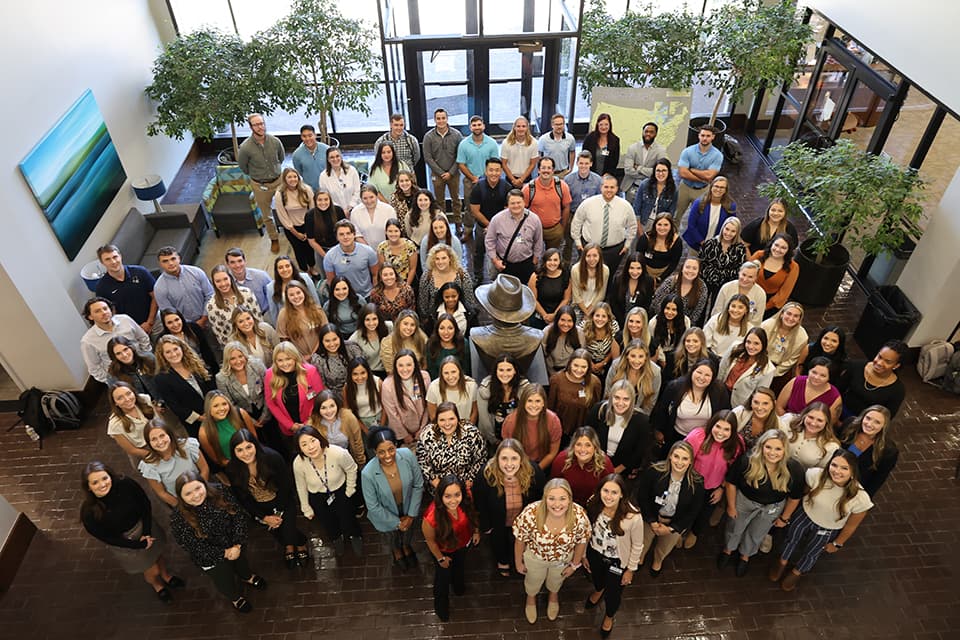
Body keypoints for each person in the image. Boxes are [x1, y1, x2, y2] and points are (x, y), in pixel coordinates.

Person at [770, 450, 873, 591]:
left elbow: (851, 526)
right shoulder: (815, 475)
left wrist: (837, 543)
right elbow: (803, 492)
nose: (837, 471)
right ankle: (781, 562)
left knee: (812, 552)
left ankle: (796, 573)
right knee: (790, 539)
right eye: (834, 465)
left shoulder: (860, 498)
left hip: (828, 528)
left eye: (844, 468)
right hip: (805, 515)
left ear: (853, 472)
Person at [80, 461, 181, 603]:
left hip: (145, 528)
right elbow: (107, 538)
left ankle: (166, 576)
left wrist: (147, 532)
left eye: (104, 478)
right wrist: (137, 545)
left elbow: (144, 504)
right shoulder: (89, 512)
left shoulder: (125, 484)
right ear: (88, 487)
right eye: (95, 482)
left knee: (157, 555)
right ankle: (157, 585)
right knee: (151, 570)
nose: (102, 484)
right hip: (126, 542)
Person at [170, 472, 266, 612]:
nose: (196, 495)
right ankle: (235, 598)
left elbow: (238, 515)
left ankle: (247, 577)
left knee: (242, 563)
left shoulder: (220, 491)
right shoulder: (178, 518)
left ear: (204, 484)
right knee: (223, 579)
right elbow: (193, 546)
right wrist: (225, 553)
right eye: (188, 493)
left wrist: (237, 544)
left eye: (198, 488)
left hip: (234, 544)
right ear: (181, 497)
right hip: (211, 558)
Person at [718, 429, 804, 577]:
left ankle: (745, 556)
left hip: (773, 507)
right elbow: (731, 483)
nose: (772, 452)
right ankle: (728, 550)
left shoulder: (794, 469)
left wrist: (784, 518)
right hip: (744, 501)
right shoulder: (748, 460)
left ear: (785, 450)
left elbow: (794, 497)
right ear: (761, 446)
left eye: (778, 449)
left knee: (757, 533)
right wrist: (731, 506)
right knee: (735, 527)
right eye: (768, 447)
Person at [225, 429, 309, 568]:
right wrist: (263, 516)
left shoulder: (272, 458)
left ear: (255, 445)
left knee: (288, 529)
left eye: (248, 447)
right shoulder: (232, 469)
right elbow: (242, 497)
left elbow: (285, 486)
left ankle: (300, 543)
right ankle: (289, 546)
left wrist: (278, 512)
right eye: (239, 450)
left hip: (282, 501)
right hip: (259, 507)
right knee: (276, 532)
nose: (246, 453)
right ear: (234, 452)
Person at [512, 478, 590, 624]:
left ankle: (553, 595)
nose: (557, 504)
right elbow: (520, 540)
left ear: (569, 499)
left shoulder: (579, 516)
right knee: (532, 580)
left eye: (562, 499)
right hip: (535, 557)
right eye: (551, 498)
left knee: (557, 579)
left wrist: (574, 565)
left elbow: (581, 542)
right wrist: (518, 562)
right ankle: (531, 597)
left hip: (562, 559)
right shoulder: (531, 512)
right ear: (545, 498)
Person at [583, 474, 644, 637]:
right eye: (605, 491)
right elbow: (586, 531)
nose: (608, 496)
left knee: (613, 593)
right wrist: (583, 555)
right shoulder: (593, 503)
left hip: (617, 562)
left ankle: (609, 616)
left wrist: (630, 569)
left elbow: (638, 545)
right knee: (596, 578)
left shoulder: (633, 516)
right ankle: (598, 589)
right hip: (594, 553)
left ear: (622, 494)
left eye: (614, 492)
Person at [475, 439, 545, 576]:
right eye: (504, 458)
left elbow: (540, 497)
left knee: (521, 542)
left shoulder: (534, 472)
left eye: (514, 458)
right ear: (497, 459)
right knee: (498, 540)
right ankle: (503, 560)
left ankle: (519, 560)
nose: (509, 464)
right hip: (498, 520)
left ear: (521, 458)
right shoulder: (486, 474)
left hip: (522, 520)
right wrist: (486, 525)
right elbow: (480, 502)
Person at [635, 441, 705, 576]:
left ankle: (658, 560)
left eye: (685, 458)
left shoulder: (697, 482)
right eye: (676, 456)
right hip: (651, 517)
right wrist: (652, 521)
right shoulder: (654, 471)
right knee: (643, 541)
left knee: (665, 547)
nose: (679, 462)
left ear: (691, 461)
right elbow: (643, 497)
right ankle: (640, 558)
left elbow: (693, 511)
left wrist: (671, 528)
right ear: (670, 457)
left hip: (675, 523)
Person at [292, 425, 362, 555]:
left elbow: (352, 469)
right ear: (299, 448)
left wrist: (350, 490)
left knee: (348, 517)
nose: (310, 447)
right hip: (317, 496)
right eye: (304, 444)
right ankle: (336, 538)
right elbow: (300, 485)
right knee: (327, 521)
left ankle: (355, 535)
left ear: (319, 439)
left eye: (313, 440)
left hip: (340, 491)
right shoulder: (298, 463)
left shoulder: (337, 452)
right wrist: (305, 507)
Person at [362, 426, 424, 570]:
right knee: (391, 537)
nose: (388, 455)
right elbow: (373, 506)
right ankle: (397, 551)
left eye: (391, 449)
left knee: (408, 532)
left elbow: (418, 484)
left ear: (396, 445)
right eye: (381, 452)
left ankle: (406, 546)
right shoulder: (368, 473)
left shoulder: (407, 455)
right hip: (385, 512)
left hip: (409, 506)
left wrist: (410, 515)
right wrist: (397, 522)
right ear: (374, 452)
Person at [422, 474, 480, 621]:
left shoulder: (467, 500)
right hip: (443, 551)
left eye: (457, 495)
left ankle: (459, 587)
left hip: (462, 545)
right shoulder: (431, 517)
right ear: (440, 496)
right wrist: (440, 559)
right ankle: (441, 607)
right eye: (447, 496)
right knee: (442, 580)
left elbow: (473, 515)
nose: (453, 500)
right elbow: (430, 541)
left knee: (459, 569)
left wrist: (476, 531)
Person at [683, 410, 745, 549]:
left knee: (704, 512)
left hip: (714, 486)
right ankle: (680, 531)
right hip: (691, 483)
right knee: (686, 508)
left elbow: (733, 471)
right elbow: (682, 457)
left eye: (726, 429)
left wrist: (721, 488)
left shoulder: (736, 445)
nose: (721, 432)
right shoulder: (698, 436)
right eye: (718, 426)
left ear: (733, 431)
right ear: (711, 425)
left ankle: (694, 533)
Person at [653, 358, 731, 449]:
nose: (702, 378)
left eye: (707, 375)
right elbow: (662, 410)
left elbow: (724, 415)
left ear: (713, 378)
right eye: (699, 372)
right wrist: (659, 431)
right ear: (692, 371)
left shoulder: (720, 391)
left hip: (704, 439)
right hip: (676, 435)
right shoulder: (675, 387)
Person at [263, 342, 326, 452]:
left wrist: (308, 423)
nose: (285, 364)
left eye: (288, 359)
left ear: (295, 358)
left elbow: (320, 399)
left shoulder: (310, 371)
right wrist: (290, 425)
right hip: (288, 430)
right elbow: (271, 403)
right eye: (280, 360)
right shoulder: (269, 374)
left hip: (312, 425)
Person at [587, 381, 654, 479]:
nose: (620, 403)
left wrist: (616, 470)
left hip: (622, 468)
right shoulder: (599, 410)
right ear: (611, 397)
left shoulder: (641, 421)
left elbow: (639, 451)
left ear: (632, 400)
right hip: (594, 461)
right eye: (616, 398)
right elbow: (588, 436)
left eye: (626, 399)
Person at [153, 335, 216, 438]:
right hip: (196, 423)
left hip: (216, 412)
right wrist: (200, 418)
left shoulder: (197, 364)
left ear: (182, 348)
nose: (173, 354)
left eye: (175, 349)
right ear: (162, 355)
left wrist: (214, 409)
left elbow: (212, 387)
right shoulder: (161, 378)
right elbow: (175, 406)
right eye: (168, 352)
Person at [237, 113, 283, 252]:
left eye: (262, 123)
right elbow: (243, 167)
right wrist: (258, 175)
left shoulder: (275, 141)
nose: (260, 127)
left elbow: (281, 158)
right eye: (256, 124)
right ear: (251, 127)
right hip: (260, 184)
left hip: (278, 180)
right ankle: (274, 238)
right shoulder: (245, 147)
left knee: (286, 206)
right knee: (266, 215)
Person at [572, 174, 637, 272]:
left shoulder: (625, 206)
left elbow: (632, 226)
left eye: (612, 187)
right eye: (606, 187)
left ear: (617, 189)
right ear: (601, 187)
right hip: (590, 248)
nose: (609, 190)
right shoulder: (587, 204)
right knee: (587, 274)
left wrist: (627, 244)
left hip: (614, 250)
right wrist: (577, 242)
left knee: (610, 275)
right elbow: (577, 222)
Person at [139, 419, 209, 508]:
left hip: (202, 492)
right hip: (181, 503)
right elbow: (162, 493)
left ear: (169, 434)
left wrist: (203, 492)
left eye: (162, 436)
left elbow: (204, 469)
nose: (160, 442)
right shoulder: (149, 466)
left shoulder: (188, 446)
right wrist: (183, 507)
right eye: (154, 439)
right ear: (149, 443)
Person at [80, 297, 152, 384]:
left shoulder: (125, 319)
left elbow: (143, 338)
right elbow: (94, 368)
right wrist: (113, 381)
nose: (104, 313)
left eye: (105, 308)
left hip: (143, 366)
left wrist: (146, 358)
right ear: (90, 317)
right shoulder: (88, 341)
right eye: (97, 311)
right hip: (121, 377)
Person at [417, 402, 486, 490]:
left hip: (465, 486)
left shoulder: (471, 432)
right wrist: (438, 485)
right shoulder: (427, 434)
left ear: (457, 418)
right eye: (442, 420)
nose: (447, 424)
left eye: (451, 419)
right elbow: (422, 462)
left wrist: (470, 479)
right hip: (438, 487)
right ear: (436, 421)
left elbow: (481, 458)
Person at [836, 405, 899, 497]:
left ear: (884, 426)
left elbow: (878, 479)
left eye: (877, 422)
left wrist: (864, 498)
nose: (869, 424)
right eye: (868, 418)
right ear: (863, 417)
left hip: (852, 489)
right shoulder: (849, 425)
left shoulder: (889, 451)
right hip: (833, 475)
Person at [485, 188, 544, 284]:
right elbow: (489, 240)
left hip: (526, 263)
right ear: (507, 204)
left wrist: (535, 259)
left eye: (518, 202)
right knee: (506, 293)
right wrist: (495, 261)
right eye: (512, 203)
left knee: (526, 291)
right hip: (505, 265)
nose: (516, 206)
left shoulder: (534, 219)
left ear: (524, 203)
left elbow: (538, 240)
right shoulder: (497, 219)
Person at [95, 244, 157, 334]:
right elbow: (111, 313)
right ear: (102, 262)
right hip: (129, 330)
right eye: (107, 259)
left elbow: (155, 296)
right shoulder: (101, 287)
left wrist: (150, 322)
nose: (113, 261)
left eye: (115, 257)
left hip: (154, 321)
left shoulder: (140, 272)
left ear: (120, 256)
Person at [457, 115, 501, 239]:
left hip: (489, 181)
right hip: (470, 181)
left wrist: (485, 178)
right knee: (469, 206)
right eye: (474, 125)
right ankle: (468, 230)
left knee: (488, 205)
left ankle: (489, 228)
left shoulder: (491, 143)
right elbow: (461, 164)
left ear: (483, 126)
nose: (477, 127)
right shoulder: (464, 144)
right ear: (470, 127)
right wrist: (473, 178)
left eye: (479, 124)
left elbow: (495, 163)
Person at [837, 341, 907, 419]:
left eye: (887, 362)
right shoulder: (856, 366)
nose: (879, 363)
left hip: (864, 423)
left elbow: (886, 417)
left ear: (896, 365)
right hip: (840, 410)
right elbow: (838, 390)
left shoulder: (897, 390)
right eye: (879, 357)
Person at [468, 158, 511, 280]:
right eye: (491, 170)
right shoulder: (478, 188)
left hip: (502, 227)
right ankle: (477, 276)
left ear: (501, 171)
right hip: (483, 226)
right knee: (478, 252)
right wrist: (490, 226)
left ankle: (502, 277)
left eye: (497, 170)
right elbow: (475, 211)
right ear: (486, 171)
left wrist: (495, 227)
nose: (494, 173)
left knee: (503, 252)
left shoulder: (506, 187)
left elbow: (508, 210)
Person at [501, 384, 561, 471]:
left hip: (542, 465)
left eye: (537, 401)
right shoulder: (511, 421)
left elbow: (552, 452)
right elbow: (508, 450)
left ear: (543, 403)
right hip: (517, 464)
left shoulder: (553, 420)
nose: (533, 405)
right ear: (523, 402)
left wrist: (537, 470)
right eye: (529, 401)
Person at [523, 157, 573, 262]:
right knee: (533, 257)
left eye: (549, 168)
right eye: (543, 168)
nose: (546, 170)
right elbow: (523, 209)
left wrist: (562, 227)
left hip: (554, 229)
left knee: (552, 257)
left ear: (553, 170)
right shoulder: (529, 188)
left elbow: (566, 207)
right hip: (535, 230)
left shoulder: (562, 186)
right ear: (539, 170)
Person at [548, 349, 602, 446]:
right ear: (569, 364)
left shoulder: (594, 383)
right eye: (576, 365)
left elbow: (595, 411)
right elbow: (550, 407)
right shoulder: (556, 380)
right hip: (560, 432)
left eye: (583, 367)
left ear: (588, 367)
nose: (579, 370)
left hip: (583, 434)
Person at [550, 426, 614, 506]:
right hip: (565, 504)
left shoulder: (605, 463)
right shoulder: (561, 460)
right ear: (573, 446)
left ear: (595, 447)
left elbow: (610, 492)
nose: (583, 449)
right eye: (579, 444)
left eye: (588, 445)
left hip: (595, 506)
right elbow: (553, 488)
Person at [477, 354, 531, 446]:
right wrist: (495, 441)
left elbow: (527, 418)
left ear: (515, 371)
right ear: (496, 371)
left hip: (518, 440)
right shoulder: (485, 389)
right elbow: (484, 422)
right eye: (501, 370)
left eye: (509, 370)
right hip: (492, 440)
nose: (505, 374)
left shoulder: (524, 388)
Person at [198, 389, 258, 471]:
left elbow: (254, 438)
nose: (222, 408)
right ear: (208, 409)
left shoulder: (241, 414)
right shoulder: (204, 432)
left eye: (224, 404)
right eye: (216, 406)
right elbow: (217, 459)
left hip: (255, 459)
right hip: (236, 468)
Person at [423, 108, 464, 227]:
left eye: (443, 118)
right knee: (439, 201)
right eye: (438, 118)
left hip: (454, 173)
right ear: (435, 120)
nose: (441, 121)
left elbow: (460, 156)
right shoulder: (428, 137)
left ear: (447, 119)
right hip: (437, 174)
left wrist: (450, 172)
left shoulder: (456, 135)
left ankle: (458, 223)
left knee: (456, 199)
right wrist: (441, 172)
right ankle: (442, 223)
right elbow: (428, 157)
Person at [381, 348, 431, 444]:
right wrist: (404, 435)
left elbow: (428, 405)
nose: (405, 369)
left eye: (409, 365)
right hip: (402, 434)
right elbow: (392, 414)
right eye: (400, 365)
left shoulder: (424, 377)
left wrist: (422, 429)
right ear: (395, 366)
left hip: (423, 429)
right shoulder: (387, 385)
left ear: (415, 365)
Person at [676, 125, 724, 223]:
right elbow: (683, 173)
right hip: (685, 187)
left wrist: (692, 170)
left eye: (708, 136)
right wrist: (702, 178)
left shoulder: (718, 155)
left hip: (702, 191)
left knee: (698, 217)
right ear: (699, 136)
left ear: (713, 137)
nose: (705, 138)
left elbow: (709, 175)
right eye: (702, 135)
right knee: (676, 215)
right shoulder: (687, 151)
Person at [307, 389, 367, 468]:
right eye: (323, 408)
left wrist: (361, 462)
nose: (329, 411)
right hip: (327, 464)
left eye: (332, 406)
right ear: (318, 409)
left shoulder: (348, 417)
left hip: (349, 459)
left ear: (337, 405)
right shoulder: (312, 424)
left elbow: (357, 441)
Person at [718, 327, 777, 407]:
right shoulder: (735, 348)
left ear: (763, 344)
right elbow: (722, 369)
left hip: (739, 404)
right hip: (721, 393)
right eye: (748, 342)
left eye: (756, 343)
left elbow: (759, 394)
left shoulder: (768, 369)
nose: (751, 347)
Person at [205, 265, 261, 348]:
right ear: (214, 283)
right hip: (237, 348)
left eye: (225, 279)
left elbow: (258, 319)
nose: (223, 284)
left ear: (230, 278)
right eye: (218, 281)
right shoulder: (212, 307)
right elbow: (222, 337)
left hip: (258, 340)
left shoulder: (246, 293)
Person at [216, 343, 270, 429]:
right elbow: (230, 404)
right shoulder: (221, 378)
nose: (238, 361)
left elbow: (269, 391)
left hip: (268, 409)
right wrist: (248, 420)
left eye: (240, 356)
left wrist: (266, 415)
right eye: (233, 358)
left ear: (245, 356)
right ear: (227, 360)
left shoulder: (257, 365)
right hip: (244, 416)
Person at [273, 168, 317, 274]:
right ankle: (304, 270)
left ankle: (312, 267)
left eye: (295, 176)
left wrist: (308, 229)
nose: (293, 179)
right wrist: (296, 233)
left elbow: (312, 210)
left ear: (298, 177)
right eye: (289, 177)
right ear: (284, 179)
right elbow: (282, 215)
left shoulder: (307, 190)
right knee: (298, 250)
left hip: (307, 224)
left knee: (310, 248)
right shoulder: (280, 194)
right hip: (291, 227)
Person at [418, 244, 476, 323]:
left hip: (459, 319)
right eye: (437, 259)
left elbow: (469, 301)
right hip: (435, 321)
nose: (440, 262)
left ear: (450, 259)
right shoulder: (427, 276)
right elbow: (423, 303)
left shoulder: (462, 275)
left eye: (444, 258)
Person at [323, 220, 380, 299]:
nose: (345, 237)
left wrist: (375, 292)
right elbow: (331, 282)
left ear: (354, 234)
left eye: (348, 233)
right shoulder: (329, 257)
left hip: (367, 296)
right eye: (341, 234)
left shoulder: (368, 251)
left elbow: (375, 274)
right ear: (337, 237)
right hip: (344, 297)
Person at [681, 175, 737, 253]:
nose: (718, 189)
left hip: (717, 247)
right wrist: (702, 242)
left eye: (722, 187)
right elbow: (691, 225)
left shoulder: (730, 206)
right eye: (716, 186)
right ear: (711, 187)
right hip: (697, 245)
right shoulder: (699, 203)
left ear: (725, 190)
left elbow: (733, 226)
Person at [776, 359, 842, 424]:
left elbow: (829, 424)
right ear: (808, 370)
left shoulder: (835, 397)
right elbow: (779, 407)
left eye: (823, 375)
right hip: (784, 423)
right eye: (814, 372)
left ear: (829, 378)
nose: (816, 377)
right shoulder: (796, 381)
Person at [604, 341, 661, 415]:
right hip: (614, 410)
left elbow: (650, 403)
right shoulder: (616, 366)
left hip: (638, 414)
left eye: (641, 356)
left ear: (646, 357)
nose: (636, 361)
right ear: (627, 356)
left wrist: (640, 420)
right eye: (633, 356)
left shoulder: (655, 372)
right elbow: (608, 393)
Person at [276, 280, 329, 358]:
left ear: (304, 293)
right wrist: (299, 356)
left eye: (298, 293)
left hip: (320, 353)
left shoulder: (317, 310)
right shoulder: (283, 314)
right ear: (287, 298)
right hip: (299, 357)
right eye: (291, 295)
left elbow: (325, 333)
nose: (296, 297)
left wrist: (313, 354)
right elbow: (284, 340)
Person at [699, 217, 748, 303]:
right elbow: (701, 262)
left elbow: (738, 269)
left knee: (717, 307)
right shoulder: (710, 243)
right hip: (706, 280)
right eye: (727, 229)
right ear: (723, 228)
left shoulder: (740, 249)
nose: (728, 233)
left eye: (733, 231)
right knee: (701, 304)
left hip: (725, 284)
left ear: (737, 233)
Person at [761, 302, 809, 389]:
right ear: (782, 314)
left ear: (799, 319)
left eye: (796, 316)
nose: (791, 318)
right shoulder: (767, 325)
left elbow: (791, 360)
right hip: (760, 363)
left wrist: (772, 373)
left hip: (780, 372)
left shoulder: (802, 337)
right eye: (789, 313)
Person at [750, 233, 799, 317]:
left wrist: (764, 307)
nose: (778, 249)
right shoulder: (759, 255)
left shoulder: (793, 267)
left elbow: (784, 293)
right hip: (750, 294)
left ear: (788, 250)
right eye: (776, 245)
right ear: (771, 244)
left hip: (770, 305)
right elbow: (745, 274)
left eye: (783, 248)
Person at [651, 257, 710, 327]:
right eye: (688, 267)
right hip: (662, 322)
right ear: (682, 268)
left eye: (694, 268)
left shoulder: (702, 288)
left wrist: (684, 325)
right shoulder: (670, 282)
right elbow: (657, 303)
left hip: (684, 325)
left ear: (698, 271)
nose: (690, 271)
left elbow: (697, 313)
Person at [107, 382, 154, 468]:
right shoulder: (115, 424)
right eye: (120, 398)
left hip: (159, 440)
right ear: (115, 403)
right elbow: (131, 450)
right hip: (143, 452)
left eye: (128, 393)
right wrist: (156, 454)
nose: (127, 399)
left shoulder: (145, 399)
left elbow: (160, 421)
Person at [780, 403, 841, 469]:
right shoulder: (789, 420)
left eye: (819, 420)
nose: (813, 423)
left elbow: (818, 472)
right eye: (811, 417)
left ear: (826, 423)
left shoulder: (831, 446)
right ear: (804, 415)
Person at [621, 122, 667, 208]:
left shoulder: (661, 151)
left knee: (644, 213)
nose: (648, 134)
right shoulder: (632, 148)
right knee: (628, 211)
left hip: (650, 188)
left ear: (656, 134)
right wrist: (649, 172)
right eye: (646, 131)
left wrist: (638, 168)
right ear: (643, 132)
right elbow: (628, 170)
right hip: (632, 186)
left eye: (651, 132)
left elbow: (659, 172)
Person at [266, 254, 321, 324]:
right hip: (289, 323)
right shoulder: (271, 288)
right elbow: (274, 313)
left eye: (287, 266)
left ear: (292, 267)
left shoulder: (305, 278)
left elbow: (315, 300)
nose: (285, 270)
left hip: (310, 318)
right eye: (280, 267)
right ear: (276, 271)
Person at [159, 308, 218, 372]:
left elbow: (207, 351)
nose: (175, 324)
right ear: (165, 325)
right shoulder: (163, 339)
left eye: (177, 320)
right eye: (170, 322)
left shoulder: (193, 328)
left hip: (205, 367)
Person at [313, 324, 364, 397]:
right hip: (335, 397)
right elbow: (322, 386)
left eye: (335, 339)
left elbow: (364, 369)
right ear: (322, 341)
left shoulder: (352, 347)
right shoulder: (318, 359)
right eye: (327, 341)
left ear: (340, 338)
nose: (332, 344)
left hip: (359, 389)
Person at [711, 260, 767, 328]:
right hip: (722, 325)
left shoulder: (761, 294)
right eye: (743, 275)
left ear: (756, 278)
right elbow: (717, 312)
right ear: (739, 272)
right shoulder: (727, 287)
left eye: (750, 277)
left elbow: (756, 322)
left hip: (744, 330)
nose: (745, 279)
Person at [427, 356, 478, 424]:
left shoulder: (471, 386)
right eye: (446, 373)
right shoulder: (433, 387)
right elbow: (433, 416)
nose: (450, 377)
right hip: (443, 428)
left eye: (453, 372)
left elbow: (474, 412)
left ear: (459, 371)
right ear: (441, 374)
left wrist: (467, 430)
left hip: (466, 428)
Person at [636, 212, 682, 287]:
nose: (662, 228)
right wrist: (646, 277)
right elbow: (638, 258)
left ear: (671, 226)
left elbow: (674, 263)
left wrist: (660, 279)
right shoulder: (645, 239)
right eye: (659, 224)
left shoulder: (677, 241)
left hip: (664, 273)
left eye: (666, 225)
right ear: (655, 225)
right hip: (643, 272)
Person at [731, 387, 783, 453]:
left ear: (773, 405)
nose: (759, 407)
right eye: (756, 402)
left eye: (765, 403)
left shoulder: (780, 425)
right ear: (751, 402)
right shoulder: (739, 412)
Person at [305, 189, 347, 267]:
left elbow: (346, 232)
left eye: (326, 199)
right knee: (326, 276)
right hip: (321, 251)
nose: (323, 203)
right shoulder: (310, 215)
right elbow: (311, 240)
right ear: (315, 201)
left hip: (340, 248)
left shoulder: (338, 211)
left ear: (330, 200)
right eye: (320, 200)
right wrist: (327, 257)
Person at [609, 253, 654, 325]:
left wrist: (636, 322)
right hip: (619, 320)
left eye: (638, 268)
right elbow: (613, 303)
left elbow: (646, 305)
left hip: (639, 321)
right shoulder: (618, 279)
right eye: (632, 268)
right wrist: (623, 323)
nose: (635, 272)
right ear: (627, 268)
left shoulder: (648, 281)